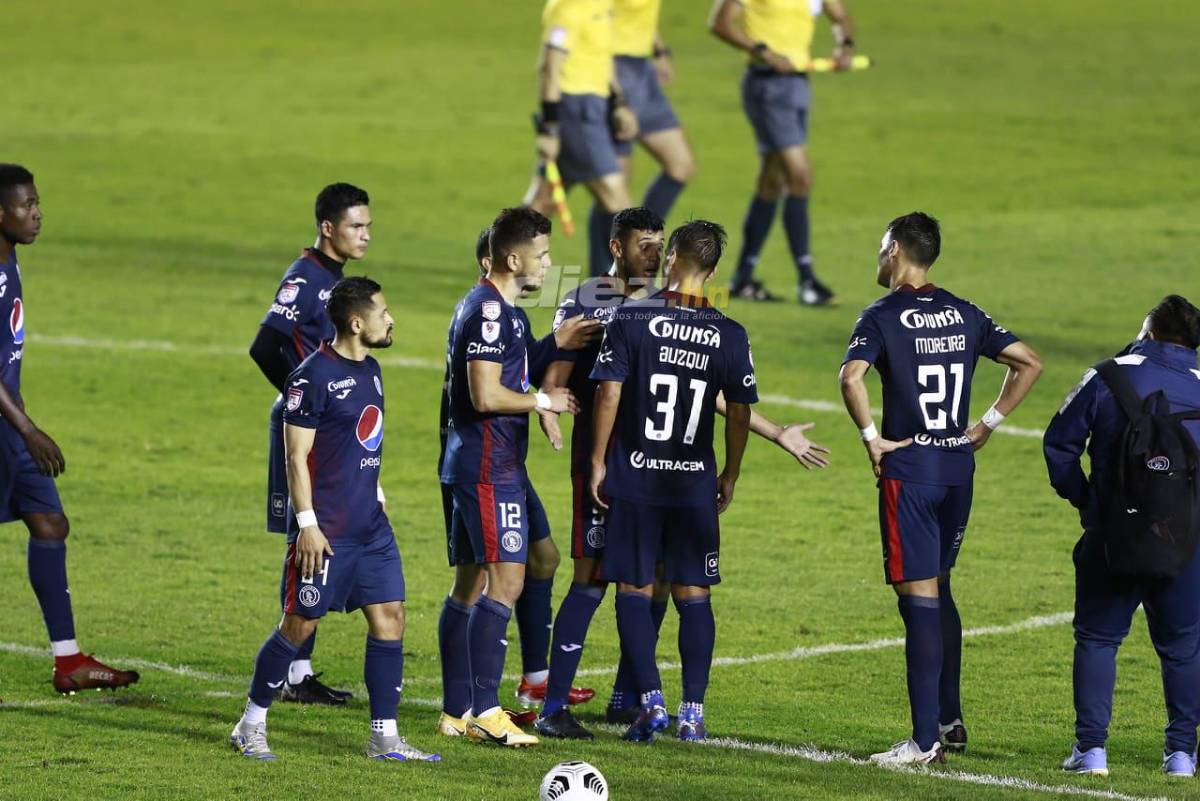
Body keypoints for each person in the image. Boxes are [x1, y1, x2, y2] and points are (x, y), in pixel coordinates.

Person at [534, 208, 830, 740]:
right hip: (606, 465)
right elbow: (560, 364)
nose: (651, 253)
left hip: (651, 470)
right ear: (616, 247)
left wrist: (777, 431)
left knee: (661, 582)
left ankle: (631, 696)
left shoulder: (666, 309)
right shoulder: (590, 298)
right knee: (595, 579)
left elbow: (711, 387)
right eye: (642, 244)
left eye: (658, 244)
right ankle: (555, 705)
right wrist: (548, 410)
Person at [838, 212, 1043, 764]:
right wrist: (987, 425)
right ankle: (949, 719)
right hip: (958, 469)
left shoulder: (881, 315)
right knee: (940, 590)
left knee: (919, 600)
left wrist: (870, 439)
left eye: (883, 247)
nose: (878, 257)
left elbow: (850, 377)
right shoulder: (965, 311)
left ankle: (924, 741)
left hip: (912, 472)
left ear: (899, 249)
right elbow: (1029, 363)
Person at [229, 277, 439, 762]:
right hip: (326, 531)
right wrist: (306, 524)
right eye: (384, 312)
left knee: (391, 618)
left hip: (369, 526)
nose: (391, 320)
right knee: (299, 626)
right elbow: (296, 457)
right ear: (357, 322)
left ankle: (383, 737)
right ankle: (250, 724)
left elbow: (364, 443)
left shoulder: (374, 371)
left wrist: (378, 491)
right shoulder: (311, 377)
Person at [587, 219, 756, 743]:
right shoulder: (729, 333)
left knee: (633, 589)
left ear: (676, 255)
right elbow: (740, 412)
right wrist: (729, 472)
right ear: (713, 268)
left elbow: (609, 393)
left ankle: (651, 701)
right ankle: (693, 714)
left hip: (636, 477)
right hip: (691, 483)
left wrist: (598, 461)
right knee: (694, 594)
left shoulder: (633, 317)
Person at [435, 230, 599, 724]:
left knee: (513, 568)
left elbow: (517, 367)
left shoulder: (505, 313)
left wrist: (557, 343)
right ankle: (486, 712)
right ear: (511, 258)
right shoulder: (488, 313)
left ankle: (464, 707)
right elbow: (486, 395)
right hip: (487, 466)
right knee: (503, 583)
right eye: (542, 255)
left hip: (490, 462)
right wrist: (543, 402)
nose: (549, 264)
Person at [1043, 295, 1200, 779]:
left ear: (1149, 331)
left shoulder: (1107, 375)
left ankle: (1091, 752)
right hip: (1186, 544)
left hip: (1113, 536)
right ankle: (1181, 755)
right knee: (1183, 646)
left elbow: (1059, 448)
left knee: (1097, 639)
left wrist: (1089, 503)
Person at [0, 163, 139, 694]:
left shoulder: (8, 259)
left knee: (49, 524)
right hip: (10, 427)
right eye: (25, 205)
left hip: (9, 425)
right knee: (48, 523)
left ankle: (69, 661)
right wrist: (29, 429)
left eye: (37, 202)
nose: (36, 213)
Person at [247, 183, 371, 705]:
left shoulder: (331, 279)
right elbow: (265, 345)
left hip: (326, 428)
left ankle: (298, 671)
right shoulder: (306, 278)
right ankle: (291, 672)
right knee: (305, 534)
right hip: (307, 428)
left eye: (368, 226)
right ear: (328, 228)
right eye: (355, 227)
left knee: (320, 530)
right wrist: (305, 401)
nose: (365, 235)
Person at [709, 0, 856, 304]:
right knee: (800, 176)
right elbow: (720, 23)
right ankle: (807, 282)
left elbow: (840, 16)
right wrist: (764, 52)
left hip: (798, 84)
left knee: (772, 182)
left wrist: (845, 45)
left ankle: (743, 278)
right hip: (767, 86)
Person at [526, 0, 638, 278]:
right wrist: (550, 127)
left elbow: (602, 57)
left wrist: (619, 101)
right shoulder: (568, 7)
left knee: (541, 202)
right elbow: (550, 66)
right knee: (620, 203)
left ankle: (498, 263)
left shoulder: (603, 5)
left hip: (594, 109)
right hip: (574, 112)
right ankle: (622, 284)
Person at [611, 0, 697, 221]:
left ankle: (641, 236)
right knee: (614, 193)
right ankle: (614, 252)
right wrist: (617, 98)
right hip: (613, 69)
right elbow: (593, 25)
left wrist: (659, 49)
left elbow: (639, 15)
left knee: (681, 165)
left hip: (642, 70)